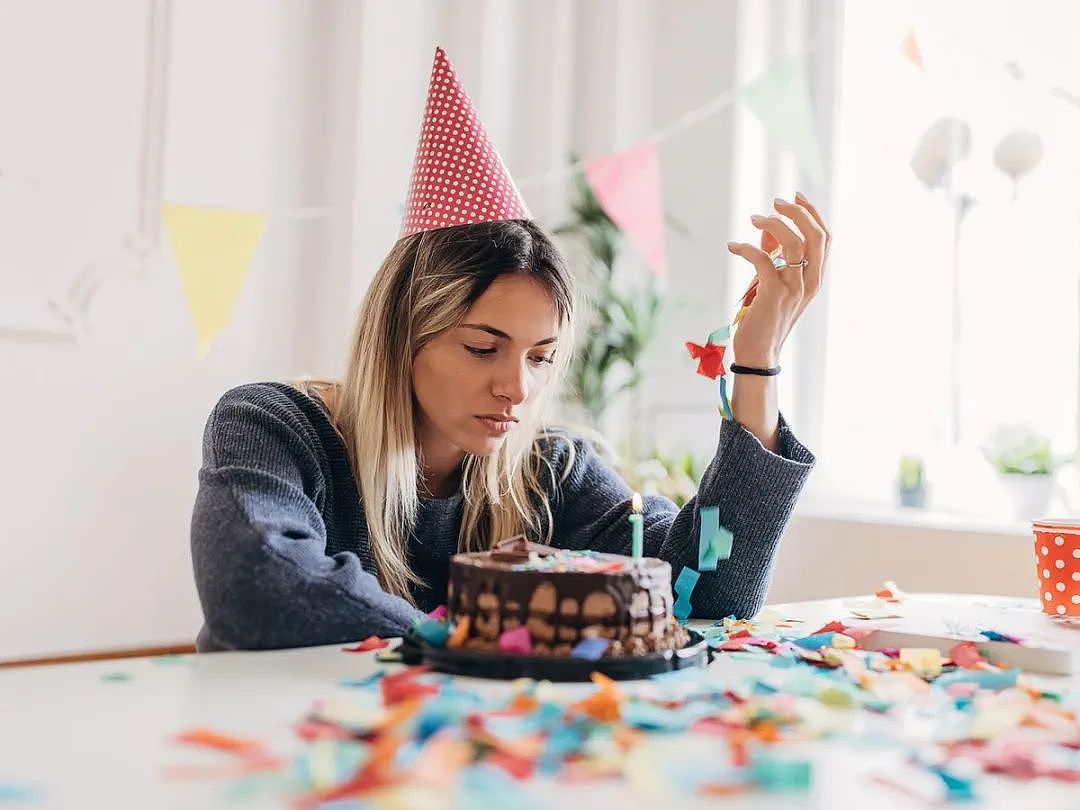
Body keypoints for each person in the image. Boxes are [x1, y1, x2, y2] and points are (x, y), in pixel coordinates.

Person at [190, 47, 826, 653]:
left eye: (540, 356)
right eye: (481, 347)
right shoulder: (272, 427)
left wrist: (756, 365)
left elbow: (709, 592)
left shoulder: (550, 475)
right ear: (400, 336)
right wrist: (489, 637)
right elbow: (260, 589)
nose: (517, 388)